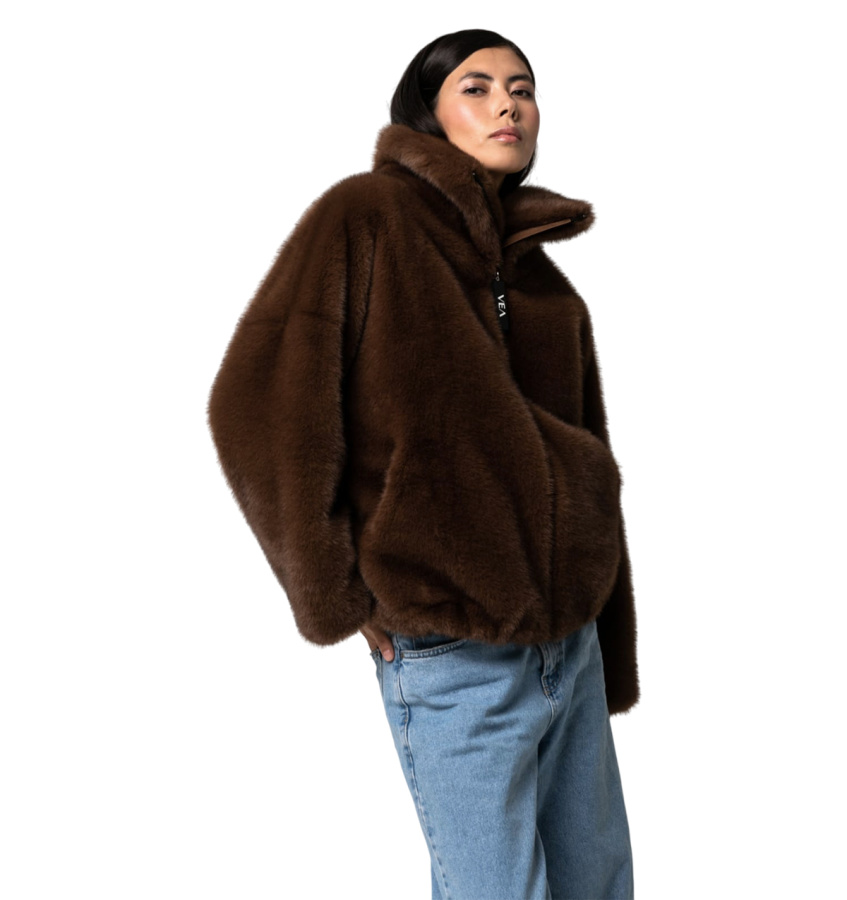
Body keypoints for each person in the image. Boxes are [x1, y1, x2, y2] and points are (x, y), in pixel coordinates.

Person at [208, 28, 639, 900]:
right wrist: (334, 595)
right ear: (427, 114)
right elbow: (255, 404)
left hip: (569, 645)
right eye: (475, 88)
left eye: (522, 88)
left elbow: (590, 453)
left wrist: (611, 644)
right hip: (453, 649)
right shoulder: (366, 217)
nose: (507, 104)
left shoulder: (543, 281)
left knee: (597, 888)